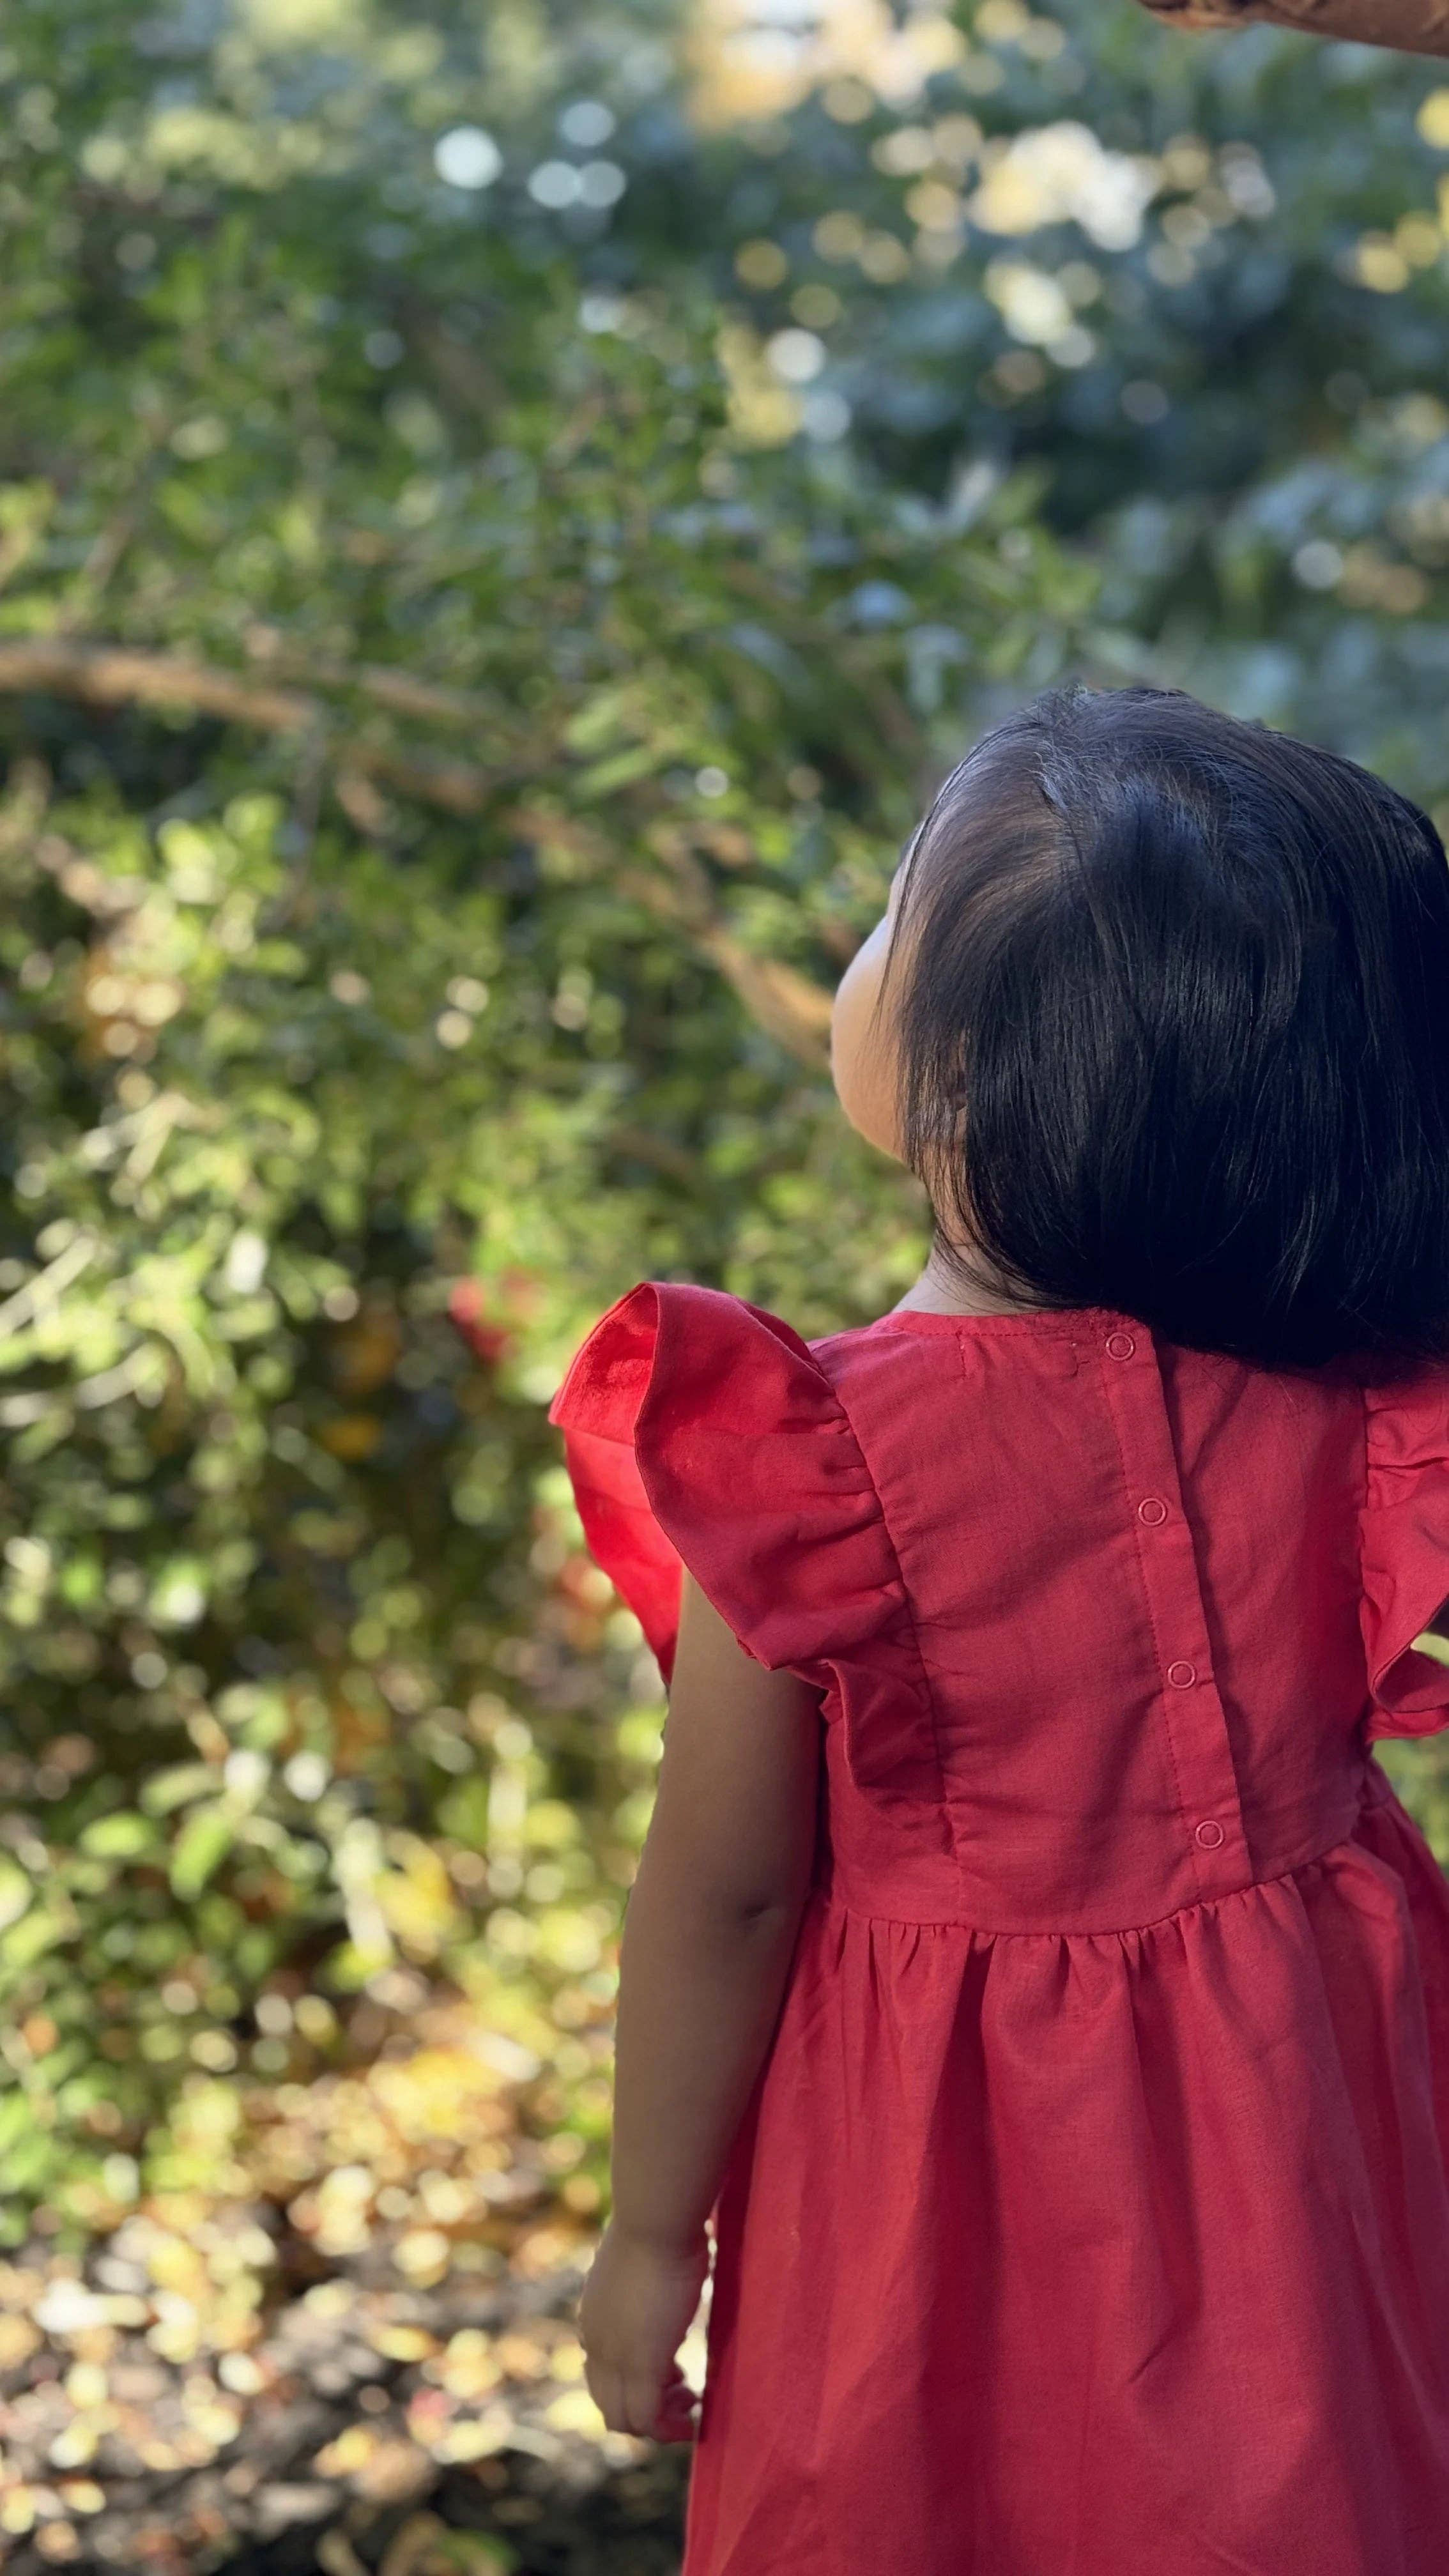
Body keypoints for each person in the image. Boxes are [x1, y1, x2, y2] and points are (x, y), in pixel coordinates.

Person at [547, 14, 1449, 2574]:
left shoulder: (812, 1463)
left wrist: (648, 2235)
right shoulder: (1359, 1403)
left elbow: (721, 1890)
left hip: (928, 2182)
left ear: (944, 1091)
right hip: (1310, 2111)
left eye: (890, 925)